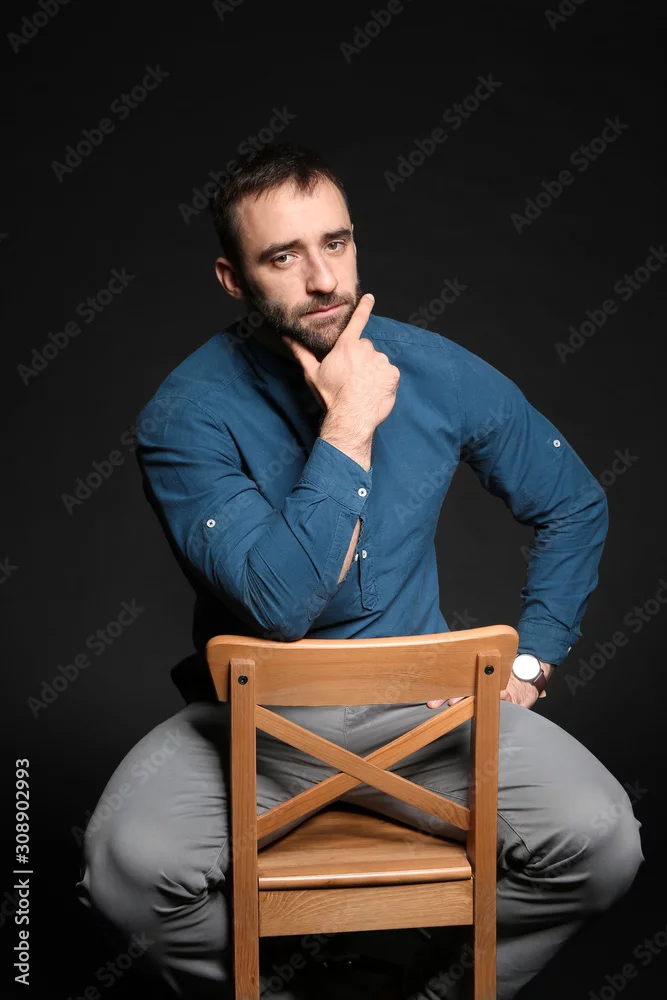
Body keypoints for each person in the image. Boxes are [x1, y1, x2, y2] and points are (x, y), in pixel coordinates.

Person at [76, 143, 643, 999]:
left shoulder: (435, 368)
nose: (322, 280)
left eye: (334, 243)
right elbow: (281, 604)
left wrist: (530, 664)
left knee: (603, 845)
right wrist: (349, 425)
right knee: (126, 870)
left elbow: (572, 503)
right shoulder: (185, 416)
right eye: (282, 256)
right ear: (233, 278)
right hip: (254, 729)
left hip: (427, 718)